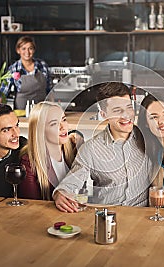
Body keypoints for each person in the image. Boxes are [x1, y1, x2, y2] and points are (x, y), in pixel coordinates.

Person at [53, 82, 151, 212]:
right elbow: (71, 182)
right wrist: (60, 193)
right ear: (104, 114)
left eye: (129, 107)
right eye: (117, 110)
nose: (126, 115)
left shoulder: (148, 138)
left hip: (142, 218)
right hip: (107, 217)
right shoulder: (90, 149)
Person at [18, 101, 83, 200]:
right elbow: (31, 207)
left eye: (63, 119)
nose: (63, 127)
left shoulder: (74, 149)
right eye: (54, 124)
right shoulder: (29, 162)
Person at [0, 35, 51, 110]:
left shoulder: (42, 65)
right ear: (18, 50)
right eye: (23, 49)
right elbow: (3, 93)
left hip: (41, 111)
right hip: (21, 112)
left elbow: (50, 91)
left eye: (30, 48)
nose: (27, 52)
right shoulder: (14, 69)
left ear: (34, 50)